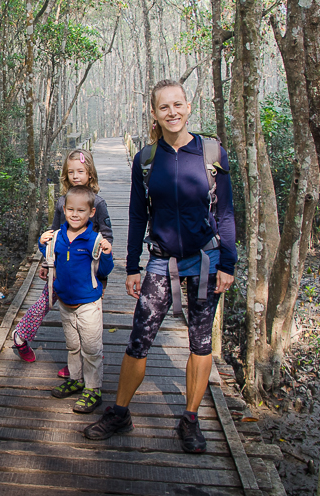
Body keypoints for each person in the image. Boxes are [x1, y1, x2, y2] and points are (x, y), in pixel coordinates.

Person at [83, 79, 236, 453]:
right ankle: (120, 412)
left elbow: (227, 212)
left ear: (188, 106)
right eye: (164, 107)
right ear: (154, 113)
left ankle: (190, 419)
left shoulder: (212, 152)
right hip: (161, 261)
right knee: (139, 339)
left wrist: (229, 263)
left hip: (206, 259)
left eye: (177, 105)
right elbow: (137, 215)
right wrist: (131, 265)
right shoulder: (147, 159)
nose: (172, 112)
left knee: (200, 343)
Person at [12, 148, 113, 376]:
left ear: (90, 173)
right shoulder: (61, 202)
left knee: (89, 321)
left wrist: (104, 255)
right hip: (62, 266)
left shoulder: (99, 203)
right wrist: (47, 263)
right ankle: (21, 336)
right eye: (71, 172)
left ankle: (83, 365)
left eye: (80, 171)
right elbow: (55, 233)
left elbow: (107, 234)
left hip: (89, 271)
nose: (75, 176)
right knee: (46, 301)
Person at [38, 186, 114, 414]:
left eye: (81, 210)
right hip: (65, 303)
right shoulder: (59, 236)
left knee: (91, 348)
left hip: (89, 303)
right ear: (64, 209)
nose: (74, 214)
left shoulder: (94, 239)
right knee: (73, 345)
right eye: (70, 209)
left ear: (91, 212)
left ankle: (93, 389)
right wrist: (43, 244)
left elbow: (104, 271)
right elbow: (50, 257)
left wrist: (107, 253)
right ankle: (76, 378)